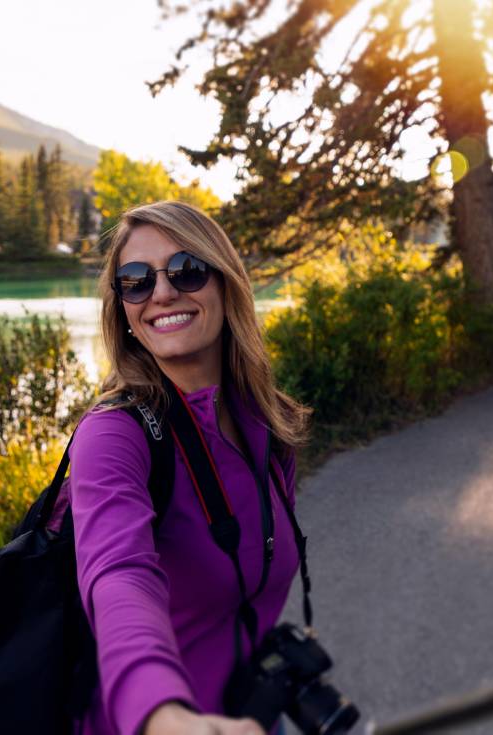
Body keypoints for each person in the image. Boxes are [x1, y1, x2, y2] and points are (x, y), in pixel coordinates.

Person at [69, 201, 311, 734]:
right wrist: (162, 714)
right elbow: (118, 577)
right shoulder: (113, 435)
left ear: (226, 284)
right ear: (124, 312)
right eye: (134, 281)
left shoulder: (268, 427)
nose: (161, 293)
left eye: (186, 270)